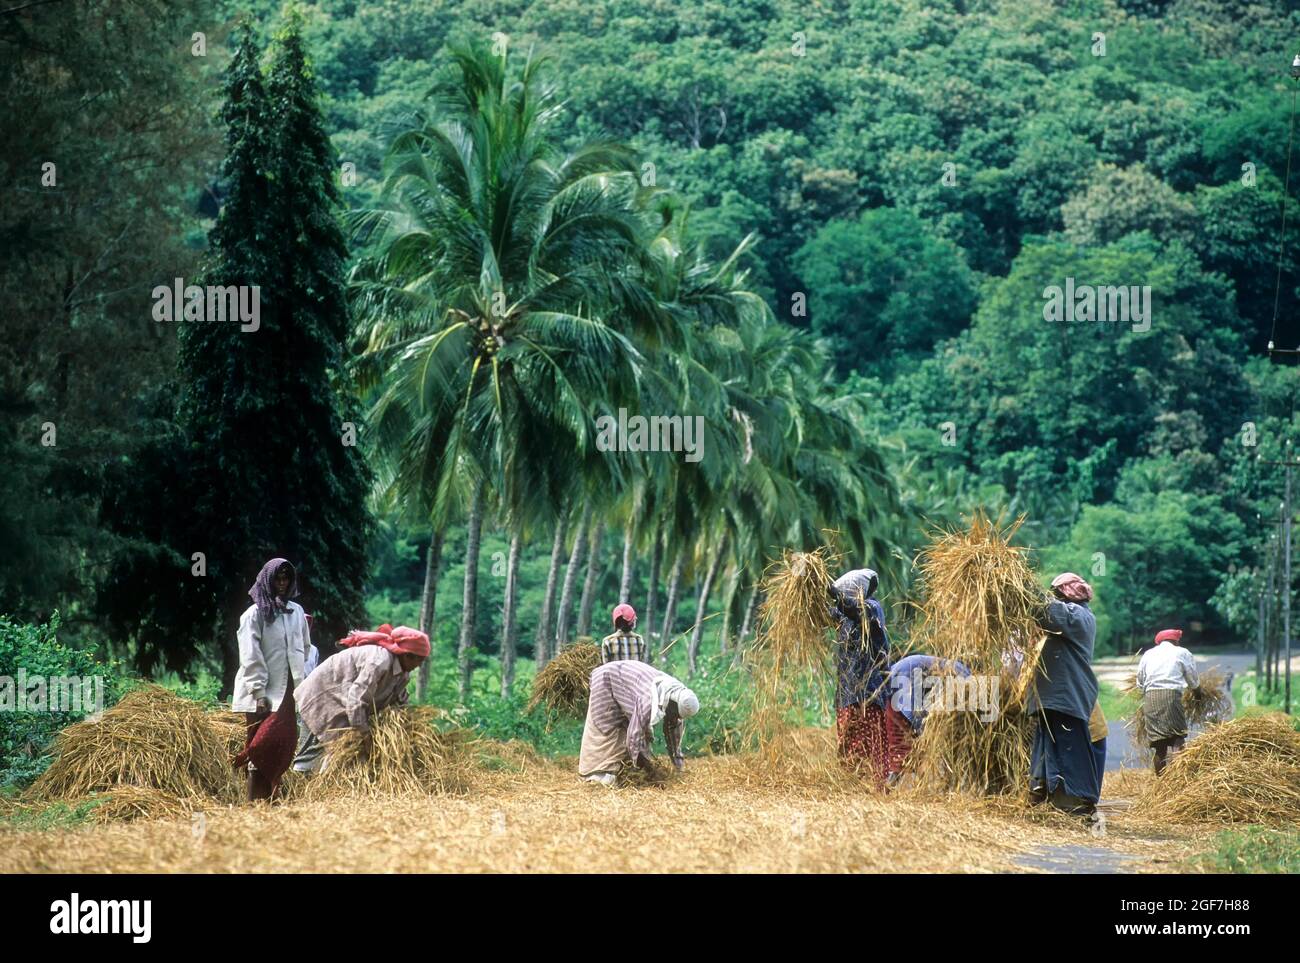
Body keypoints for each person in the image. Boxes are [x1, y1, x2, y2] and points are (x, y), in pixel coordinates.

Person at [292, 624, 430, 774]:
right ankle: (298, 791)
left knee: (340, 756)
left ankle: (326, 786)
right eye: (419, 661)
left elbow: (400, 701)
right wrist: (364, 734)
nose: (419, 666)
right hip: (319, 698)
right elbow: (356, 700)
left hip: (341, 705)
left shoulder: (402, 674)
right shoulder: (379, 661)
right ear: (406, 655)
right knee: (311, 755)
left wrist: (411, 729)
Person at [232, 558, 312, 800]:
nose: (282, 583)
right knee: (260, 744)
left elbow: (304, 648)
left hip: (288, 691)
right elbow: (250, 656)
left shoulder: (296, 612)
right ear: (268, 579)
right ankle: (256, 802)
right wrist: (258, 693)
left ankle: (272, 797)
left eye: (286, 578)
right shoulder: (254, 615)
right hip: (260, 693)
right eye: (277, 578)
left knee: (281, 743)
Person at [1028, 572, 1102, 821]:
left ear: (1067, 594)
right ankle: (1051, 798)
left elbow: (1049, 611)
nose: (1054, 599)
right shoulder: (1066, 621)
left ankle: (1080, 802)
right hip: (1054, 697)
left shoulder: (1079, 616)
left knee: (1071, 749)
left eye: (1056, 594)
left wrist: (1024, 586)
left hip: (1067, 694)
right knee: (1049, 748)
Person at [578, 659, 699, 786]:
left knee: (642, 733)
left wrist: (678, 767)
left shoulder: (677, 696)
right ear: (672, 704)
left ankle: (622, 768)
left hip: (628, 682)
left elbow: (673, 735)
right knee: (609, 730)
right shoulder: (648, 699)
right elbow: (634, 734)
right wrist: (635, 770)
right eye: (675, 714)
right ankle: (598, 774)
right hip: (606, 679)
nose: (675, 717)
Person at [828, 568, 891, 785]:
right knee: (848, 745)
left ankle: (875, 790)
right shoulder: (844, 617)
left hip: (868, 694)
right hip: (847, 693)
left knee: (870, 745)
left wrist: (835, 594)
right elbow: (826, 613)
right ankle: (849, 788)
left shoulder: (872, 608)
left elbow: (853, 609)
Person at [884, 654, 971, 784]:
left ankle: (895, 785)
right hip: (908, 675)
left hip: (907, 675)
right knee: (905, 739)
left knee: (902, 739)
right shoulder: (966, 677)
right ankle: (899, 785)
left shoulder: (963, 677)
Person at [1135, 628, 1199, 775]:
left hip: (1150, 698)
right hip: (1171, 696)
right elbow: (1193, 680)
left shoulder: (1148, 654)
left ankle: (1161, 784)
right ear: (1176, 641)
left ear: (1159, 642)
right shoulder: (1182, 652)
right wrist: (1198, 694)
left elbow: (1140, 683)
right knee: (1177, 739)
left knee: (1160, 746)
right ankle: (1179, 779)